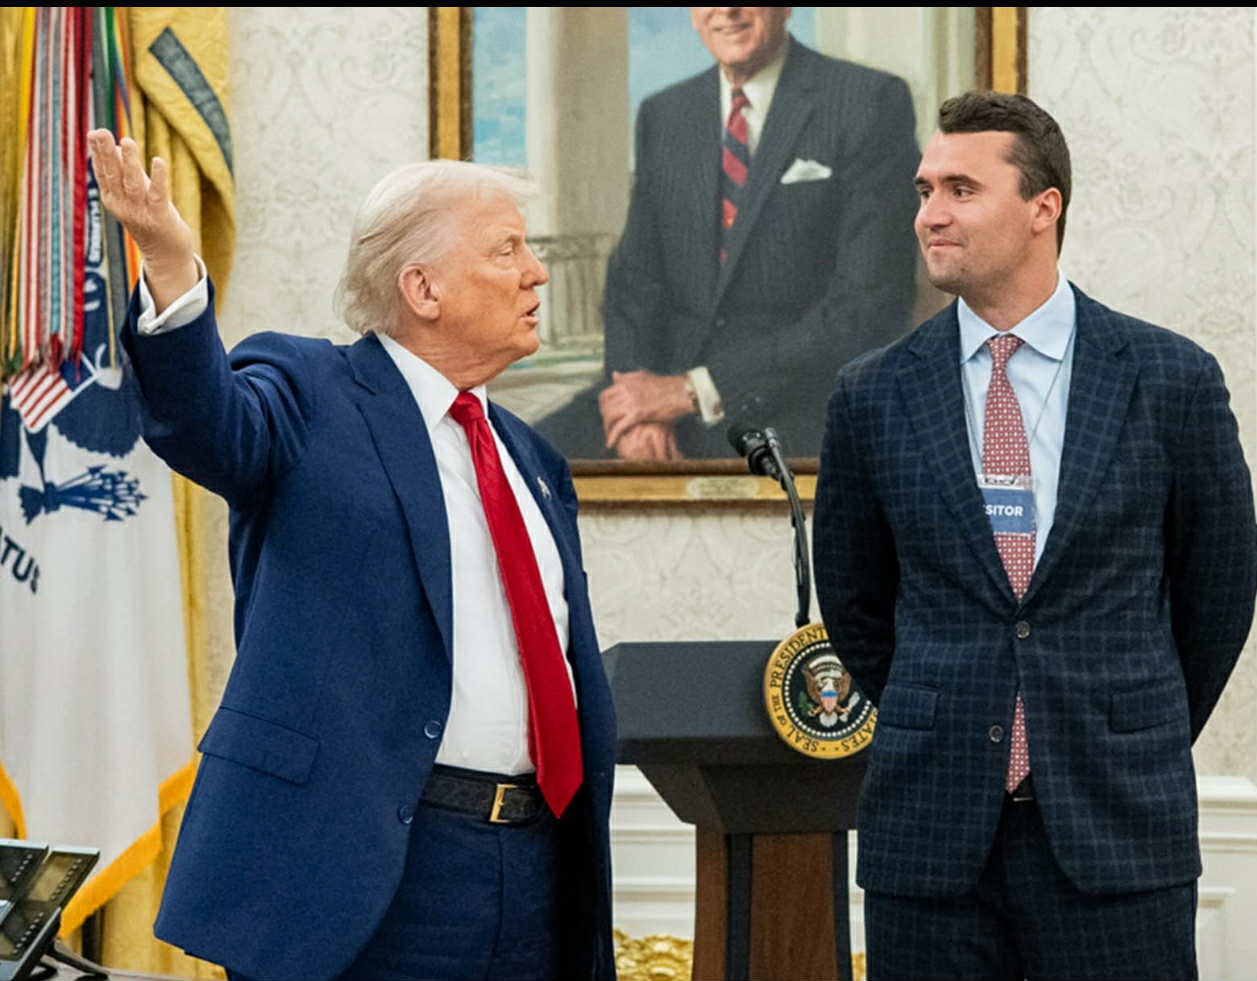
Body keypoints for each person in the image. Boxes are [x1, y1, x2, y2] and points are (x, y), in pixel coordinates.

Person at [88, 132, 617, 981]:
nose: (538, 273)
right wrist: (171, 265)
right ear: (422, 287)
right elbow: (205, 424)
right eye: (507, 249)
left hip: (535, 871)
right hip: (363, 872)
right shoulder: (308, 389)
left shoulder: (533, 458)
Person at [812, 91, 1257, 980]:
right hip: (931, 838)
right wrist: (948, 710)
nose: (930, 214)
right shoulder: (872, 393)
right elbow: (857, 604)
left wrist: (1124, 725)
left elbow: (1217, 592)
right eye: (925, 190)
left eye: (961, 189)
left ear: (1042, 207)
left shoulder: (1170, 379)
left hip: (1117, 831)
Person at [537, 6, 919, 460]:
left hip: (793, 398)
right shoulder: (665, 113)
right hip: (659, 392)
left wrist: (695, 391)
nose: (728, 11)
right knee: (517, 460)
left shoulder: (869, 102)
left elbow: (868, 304)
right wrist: (637, 405)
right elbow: (634, 282)